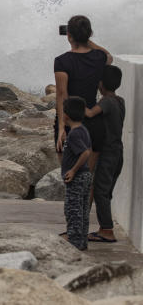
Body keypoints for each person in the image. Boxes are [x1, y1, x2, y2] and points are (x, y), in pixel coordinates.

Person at [54, 15, 112, 155]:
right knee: (89, 175)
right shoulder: (99, 57)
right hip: (93, 121)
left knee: (68, 173)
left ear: (69, 36)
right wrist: (86, 39)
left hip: (71, 121)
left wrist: (62, 127)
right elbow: (109, 56)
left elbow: (62, 95)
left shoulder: (62, 61)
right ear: (89, 34)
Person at [85, 64, 125, 243]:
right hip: (118, 151)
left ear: (101, 83)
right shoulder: (120, 100)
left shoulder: (106, 101)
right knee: (106, 190)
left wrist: (73, 103)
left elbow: (91, 114)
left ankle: (107, 230)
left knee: (100, 190)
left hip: (108, 153)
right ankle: (104, 227)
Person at [61, 96, 93, 251]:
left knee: (73, 210)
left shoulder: (74, 134)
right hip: (86, 176)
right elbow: (89, 150)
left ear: (66, 115)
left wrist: (73, 170)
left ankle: (74, 242)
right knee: (83, 210)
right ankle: (82, 241)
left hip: (78, 177)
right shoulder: (83, 130)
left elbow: (85, 152)